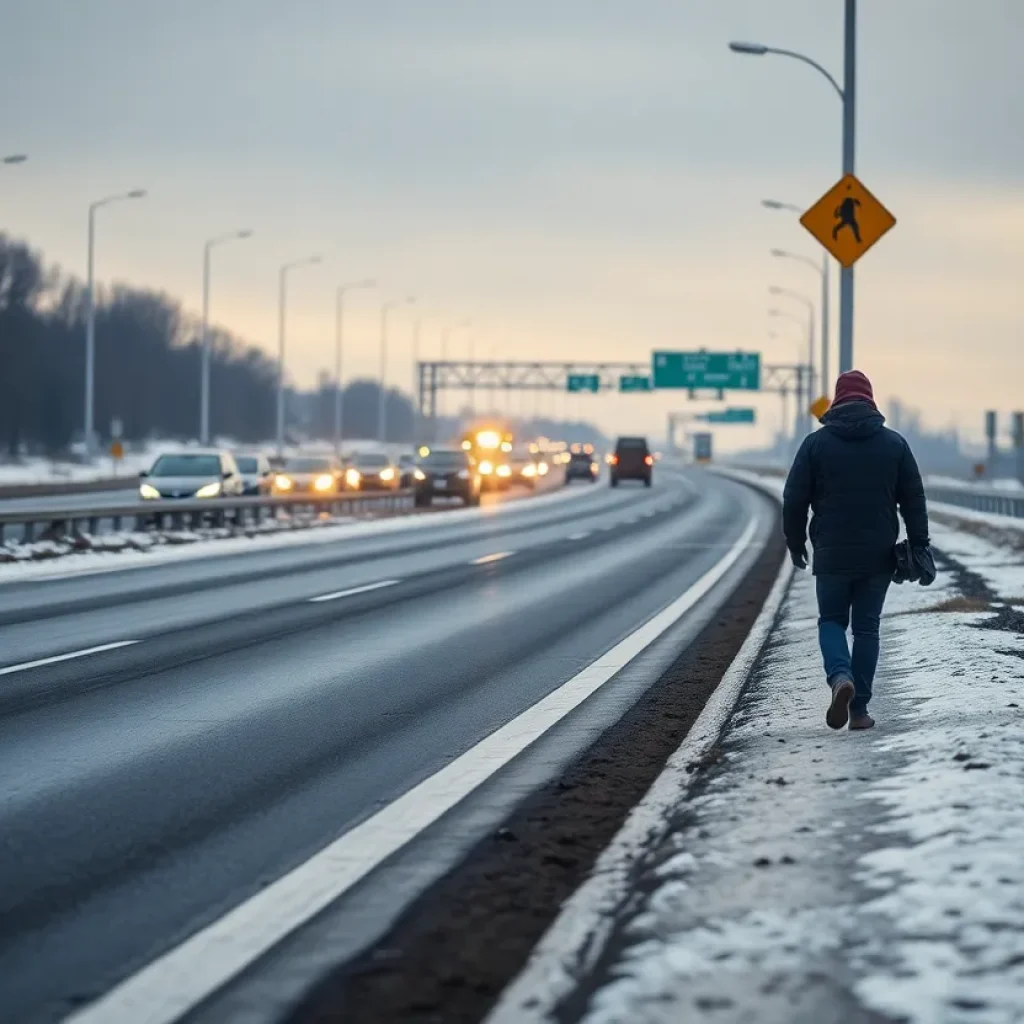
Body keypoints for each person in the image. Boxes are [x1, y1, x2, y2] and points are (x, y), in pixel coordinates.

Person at [783, 370, 929, 731]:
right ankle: (859, 710)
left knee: (831, 621)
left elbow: (793, 499)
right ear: (870, 400)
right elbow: (914, 500)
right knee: (867, 629)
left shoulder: (815, 445)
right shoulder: (894, 445)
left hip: (831, 553)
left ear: (836, 401)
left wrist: (795, 541)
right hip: (877, 555)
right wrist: (920, 544)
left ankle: (839, 678)